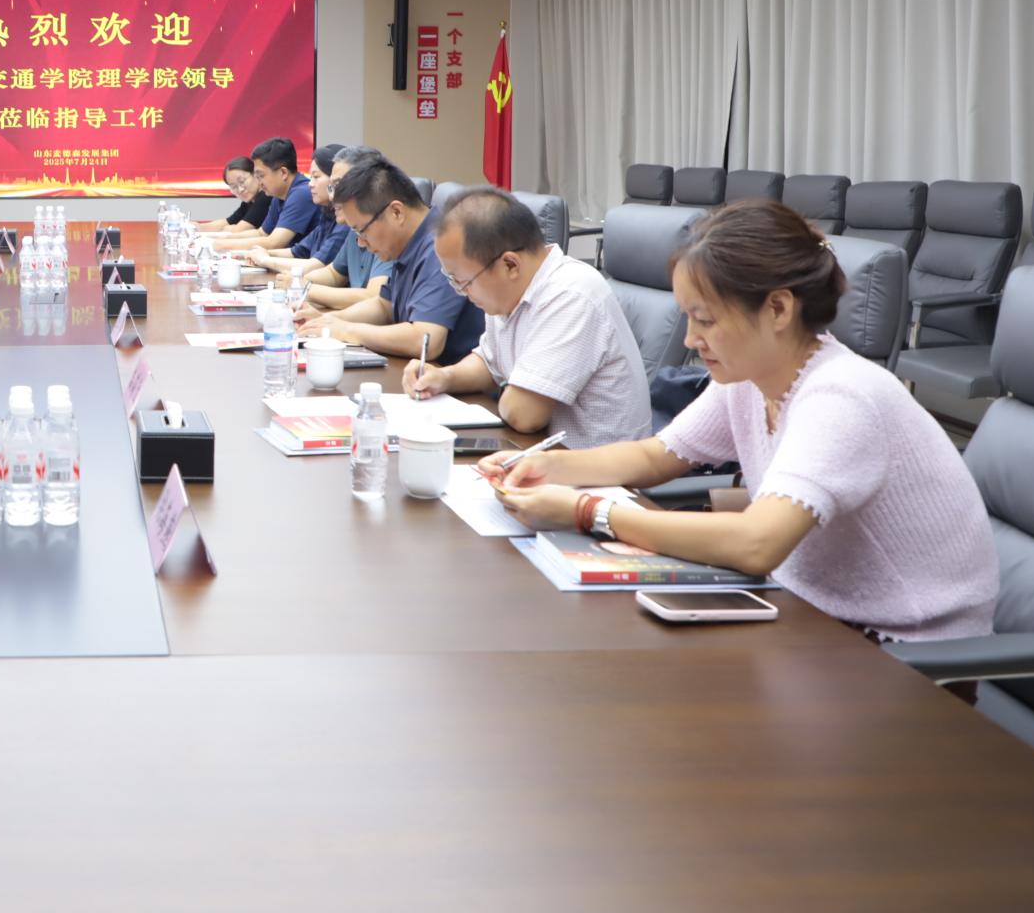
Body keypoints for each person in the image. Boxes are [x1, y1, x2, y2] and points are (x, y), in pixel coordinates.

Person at [488, 199, 998, 644]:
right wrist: (545, 468)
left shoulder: (841, 397)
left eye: (705, 319)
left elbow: (757, 543)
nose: (690, 340)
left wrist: (587, 511)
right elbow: (654, 456)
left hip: (899, 653)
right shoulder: (750, 377)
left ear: (777, 308)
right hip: (805, 612)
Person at [402, 187, 651, 449]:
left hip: (596, 467)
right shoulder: (509, 290)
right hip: (542, 455)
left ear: (510, 265)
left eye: (464, 282)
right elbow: (490, 362)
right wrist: (445, 377)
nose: (461, 293)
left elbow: (524, 415)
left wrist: (510, 392)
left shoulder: (571, 295)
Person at [299, 158, 483, 361]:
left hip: (449, 375)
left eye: (362, 231)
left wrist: (346, 330)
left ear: (396, 212)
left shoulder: (441, 243)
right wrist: (328, 320)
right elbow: (384, 306)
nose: (361, 243)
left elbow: (425, 339)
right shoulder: (407, 242)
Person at [289, 146, 390, 313]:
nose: (332, 197)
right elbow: (334, 273)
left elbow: (374, 297)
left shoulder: (388, 228)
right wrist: (296, 281)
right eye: (331, 187)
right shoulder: (353, 225)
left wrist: (306, 288)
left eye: (338, 186)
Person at [246, 144, 346, 273]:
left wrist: (265, 259)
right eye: (311, 177)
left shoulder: (346, 221)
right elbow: (299, 251)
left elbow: (317, 265)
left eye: (316, 177)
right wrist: (264, 253)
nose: (310, 184)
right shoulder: (328, 213)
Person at [213, 136, 319, 250]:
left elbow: (275, 242)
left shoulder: (301, 193)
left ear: (283, 173)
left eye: (261, 176)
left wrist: (220, 245)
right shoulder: (278, 195)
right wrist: (220, 239)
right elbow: (262, 233)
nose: (259, 182)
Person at [195, 157, 271, 233]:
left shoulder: (265, 196)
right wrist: (197, 226)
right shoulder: (249, 202)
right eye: (234, 186)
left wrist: (228, 228)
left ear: (255, 174)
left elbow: (239, 230)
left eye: (242, 181)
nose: (240, 189)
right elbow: (227, 222)